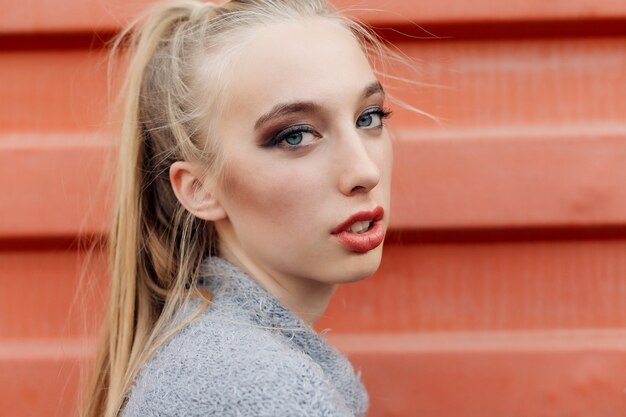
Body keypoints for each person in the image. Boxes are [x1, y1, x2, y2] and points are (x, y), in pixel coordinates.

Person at [82, 0, 394, 416]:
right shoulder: (266, 390)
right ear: (199, 189)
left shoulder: (208, 362)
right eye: (296, 136)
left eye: (369, 117)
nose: (364, 170)